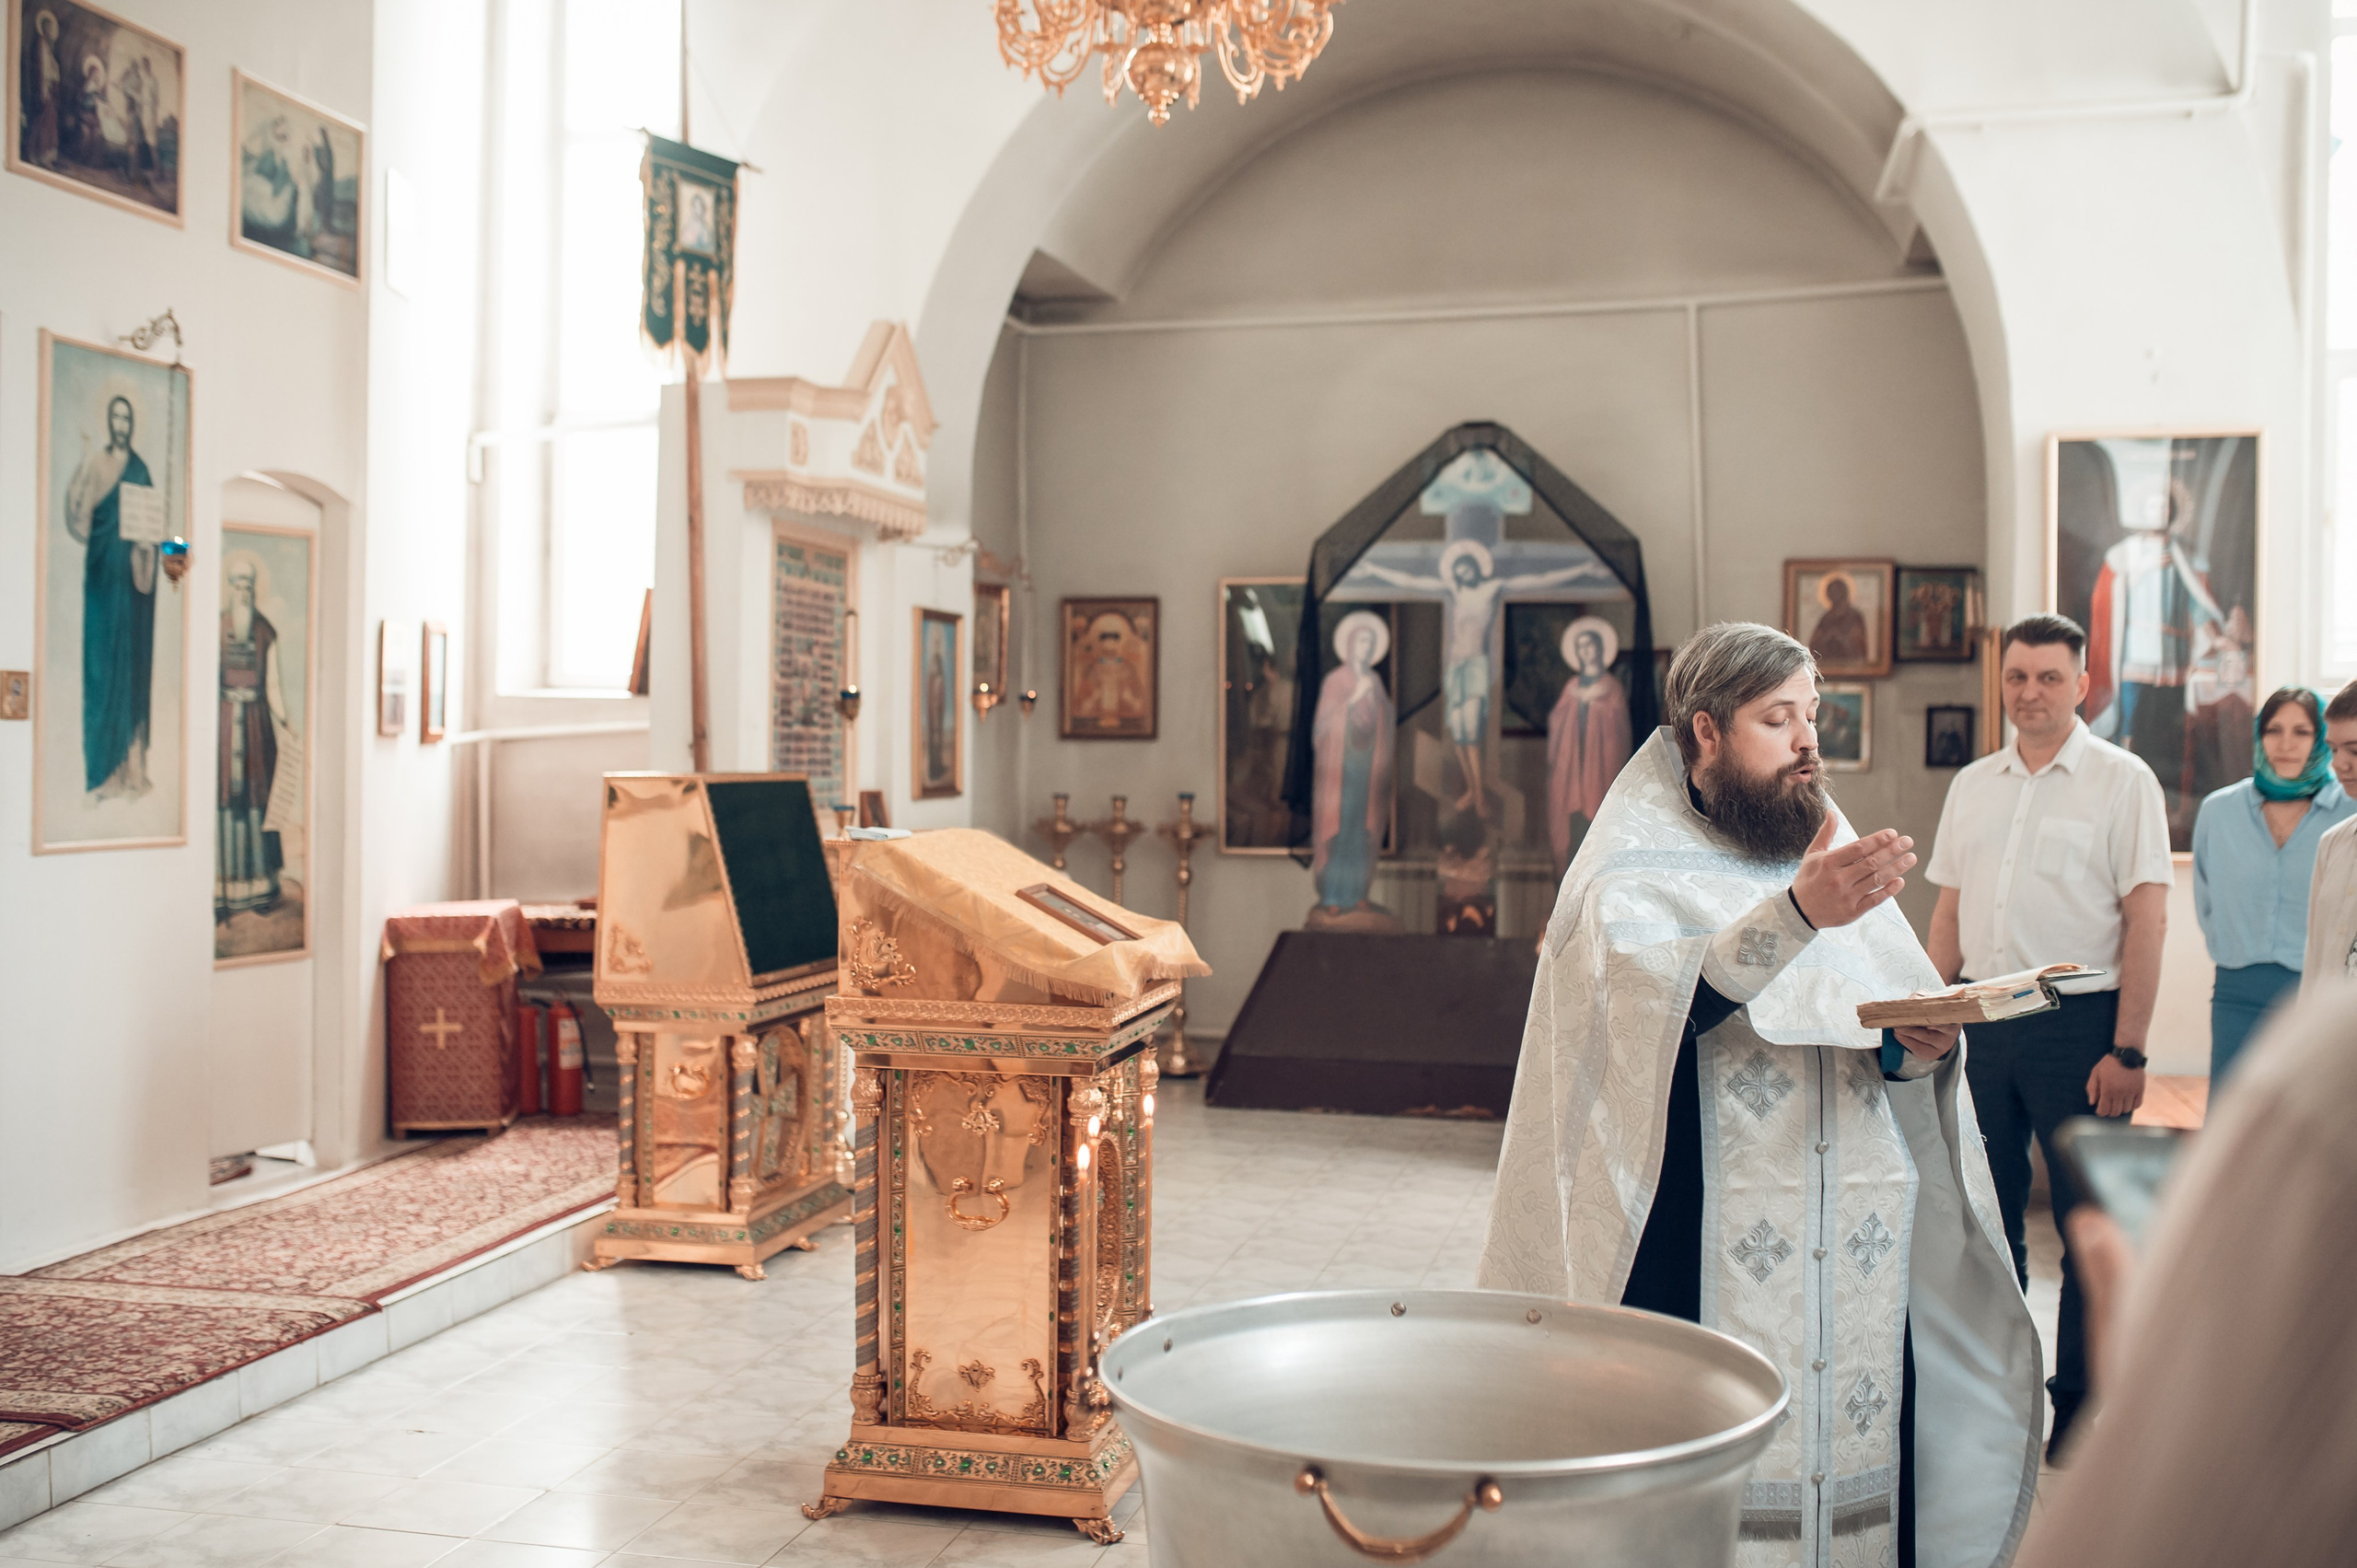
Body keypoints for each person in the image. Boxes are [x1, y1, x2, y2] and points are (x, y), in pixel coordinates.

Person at [1481, 621, 2041, 1568]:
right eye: (1776, 718)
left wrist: (1918, 1046)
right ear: (1704, 731)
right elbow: (1635, 1035)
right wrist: (1793, 918)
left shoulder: (1820, 850)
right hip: (1697, 1246)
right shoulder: (1627, 867)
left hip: (1853, 1249)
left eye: (1811, 714)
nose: (1807, 741)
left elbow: (1871, 1040)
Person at [1923, 613, 2171, 1463]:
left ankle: (2076, 1406)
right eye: (2018, 676)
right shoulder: (1974, 783)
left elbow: (2147, 916)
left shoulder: (2122, 780)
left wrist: (2129, 1048)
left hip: (2081, 1028)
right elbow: (1950, 911)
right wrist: (1925, 1008)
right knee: (1982, 1216)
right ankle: (2002, 1388)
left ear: (2082, 683)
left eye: (2049, 677)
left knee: (2084, 1218)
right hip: (1982, 1020)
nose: (2030, 692)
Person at [2011, 985, 2357, 1568]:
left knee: (2093, 1241)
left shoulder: (2330, 1063)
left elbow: (2177, 1512)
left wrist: (2139, 1343)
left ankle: (2071, 1408)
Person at [1356, 538, 1593, 817]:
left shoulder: (1490, 589)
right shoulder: (1452, 593)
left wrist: (1582, 570)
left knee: (1471, 729)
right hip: (1455, 669)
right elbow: (1411, 580)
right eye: (1458, 569)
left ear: (1475, 568)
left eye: (1466, 568)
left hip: (1476, 667)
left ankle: (1479, 796)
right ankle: (1473, 790)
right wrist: (1373, 570)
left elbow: (1538, 579)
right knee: (1458, 733)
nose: (1462, 573)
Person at [2191, 687, 2351, 1086]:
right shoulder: (2219, 810)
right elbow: (2205, 896)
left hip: (2318, 993)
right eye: (2273, 730)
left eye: (2302, 732)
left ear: (2320, 741)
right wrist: (2233, 946)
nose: (2285, 744)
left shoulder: (2349, 809)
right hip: (2236, 990)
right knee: (2229, 1121)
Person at [64, 392, 160, 798]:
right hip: (103, 585)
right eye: (115, 418)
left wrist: (147, 547)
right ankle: (104, 771)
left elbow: (158, 538)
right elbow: (82, 520)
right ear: (109, 422)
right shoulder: (97, 465)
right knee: (101, 671)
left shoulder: (141, 471)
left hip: (131, 596)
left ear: (132, 424)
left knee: (131, 671)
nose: (121, 425)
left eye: (127, 418)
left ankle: (131, 768)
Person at [216, 555, 290, 918]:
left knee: (258, 799)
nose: (242, 593)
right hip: (227, 724)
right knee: (229, 802)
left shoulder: (265, 632)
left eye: (248, 587)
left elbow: (273, 683)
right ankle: (226, 889)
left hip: (258, 726)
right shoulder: (219, 627)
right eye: (237, 586)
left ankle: (262, 887)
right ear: (230, 588)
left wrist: (284, 720)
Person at [1543, 616, 1630, 879]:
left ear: (1599, 648)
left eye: (1589, 645)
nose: (1586, 651)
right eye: (1580, 647)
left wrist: (1597, 705)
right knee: (1570, 832)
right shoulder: (1571, 687)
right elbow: (1556, 721)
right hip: (1571, 771)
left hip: (1598, 770)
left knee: (1595, 831)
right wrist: (1577, 702)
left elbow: (1620, 732)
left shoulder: (1611, 687)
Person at [2301, 680, 2357, 992]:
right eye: (2333, 749)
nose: (2339, 764)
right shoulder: (2333, 843)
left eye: (2355, 750)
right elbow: (2316, 961)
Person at [1808, 572, 1869, 664]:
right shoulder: (1826, 617)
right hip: (1827, 660)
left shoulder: (1854, 616)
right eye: (1832, 592)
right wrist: (1827, 637)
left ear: (1844, 593)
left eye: (1837, 592)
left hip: (1849, 663)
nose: (1834, 595)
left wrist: (1842, 638)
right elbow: (1814, 643)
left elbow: (1858, 643)